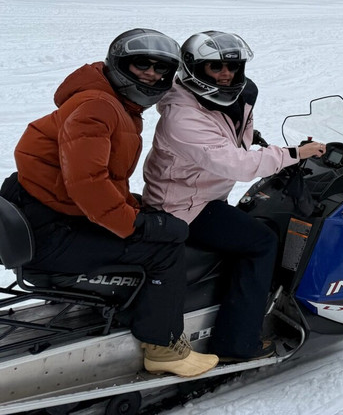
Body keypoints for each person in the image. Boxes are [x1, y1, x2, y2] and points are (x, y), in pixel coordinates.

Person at [0, 29, 218, 377]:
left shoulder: (110, 102)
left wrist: (135, 207)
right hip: (50, 231)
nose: (151, 73)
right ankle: (163, 348)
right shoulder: (97, 107)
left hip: (44, 212)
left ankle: (131, 310)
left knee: (155, 222)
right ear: (119, 64)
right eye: (140, 64)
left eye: (160, 68)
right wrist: (137, 224)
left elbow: (89, 178)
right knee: (164, 247)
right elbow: (87, 185)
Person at [142, 31, 326, 363]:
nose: (226, 73)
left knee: (245, 227)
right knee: (262, 241)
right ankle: (237, 342)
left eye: (232, 66)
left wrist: (250, 135)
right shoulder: (184, 116)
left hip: (197, 193)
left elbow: (224, 138)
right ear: (194, 68)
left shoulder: (218, 101)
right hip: (182, 207)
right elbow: (236, 164)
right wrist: (294, 153)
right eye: (215, 67)